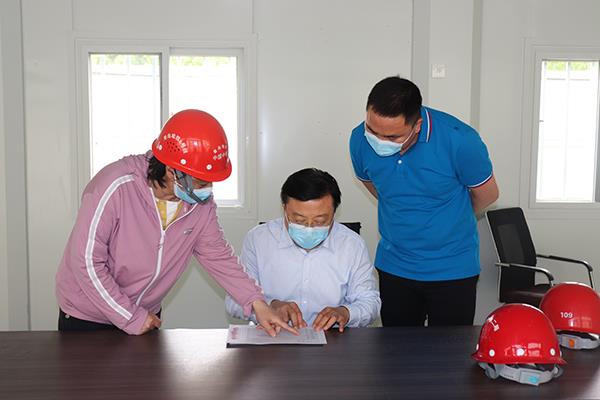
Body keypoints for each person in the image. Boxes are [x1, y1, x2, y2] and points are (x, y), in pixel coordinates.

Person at [55, 109, 297, 336]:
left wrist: (257, 303)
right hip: (88, 316)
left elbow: (217, 255)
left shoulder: (199, 204)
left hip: (144, 314)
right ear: (172, 171)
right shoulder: (115, 186)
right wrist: (130, 317)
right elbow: (86, 262)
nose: (208, 190)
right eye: (202, 182)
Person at [349, 76, 499, 327]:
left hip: (452, 268)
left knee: (449, 349)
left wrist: (447, 219)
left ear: (417, 125)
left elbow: (487, 194)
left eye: (392, 137)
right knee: (397, 348)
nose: (379, 141)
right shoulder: (359, 140)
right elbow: (377, 187)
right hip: (395, 266)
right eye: (373, 130)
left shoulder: (460, 140)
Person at [225, 168, 380, 331]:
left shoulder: (352, 244)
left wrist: (346, 312)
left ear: (334, 212)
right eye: (299, 220)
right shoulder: (258, 239)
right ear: (284, 209)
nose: (309, 228)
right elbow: (233, 301)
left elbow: (370, 303)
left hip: (332, 337)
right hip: (273, 335)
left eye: (320, 221)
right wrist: (269, 306)